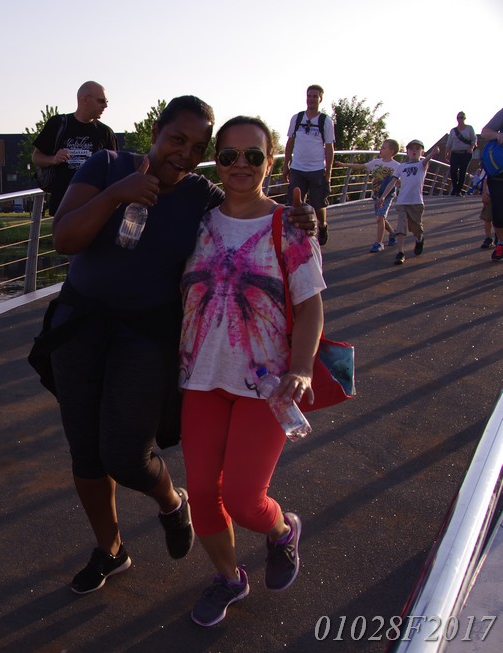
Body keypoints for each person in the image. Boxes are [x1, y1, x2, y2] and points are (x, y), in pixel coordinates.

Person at [34, 96, 317, 596]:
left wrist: (303, 218)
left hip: (146, 335)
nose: (184, 154)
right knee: (86, 453)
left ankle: (172, 501)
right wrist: (117, 194)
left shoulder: (200, 196)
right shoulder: (108, 165)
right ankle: (110, 550)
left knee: (125, 453)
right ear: (155, 135)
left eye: (198, 147)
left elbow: (247, 209)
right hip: (81, 326)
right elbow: (64, 239)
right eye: (176, 140)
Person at [179, 116, 325, 627]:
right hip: (201, 379)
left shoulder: (291, 226)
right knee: (202, 495)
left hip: (267, 386)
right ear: (215, 161)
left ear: (272, 161)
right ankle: (229, 579)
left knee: (244, 501)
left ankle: (282, 531)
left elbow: (310, 306)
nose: (240, 165)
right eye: (229, 155)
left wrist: (302, 369)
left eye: (254, 156)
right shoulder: (197, 222)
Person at [31, 81, 118, 216]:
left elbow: (114, 170)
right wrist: (53, 159)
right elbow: (36, 157)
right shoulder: (58, 124)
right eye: (101, 101)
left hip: (93, 206)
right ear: (85, 99)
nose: (105, 106)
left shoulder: (105, 132)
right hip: (62, 205)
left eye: (106, 101)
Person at [283, 84, 335, 246]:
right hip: (297, 168)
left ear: (320, 99)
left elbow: (329, 147)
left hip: (316, 169)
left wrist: (329, 171)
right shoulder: (297, 118)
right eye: (309, 96)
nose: (311, 99)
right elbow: (290, 142)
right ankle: (297, 237)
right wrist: (286, 164)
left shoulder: (325, 121)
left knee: (318, 205)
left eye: (315, 96)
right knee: (294, 203)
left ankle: (322, 225)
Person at [379, 139, 442, 266]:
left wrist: (432, 154)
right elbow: (392, 182)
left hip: (416, 202)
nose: (414, 151)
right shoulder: (401, 167)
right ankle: (400, 252)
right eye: (411, 149)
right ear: (407, 151)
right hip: (402, 201)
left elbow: (426, 160)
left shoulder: (421, 165)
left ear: (421, 152)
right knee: (401, 227)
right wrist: (383, 197)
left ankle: (419, 239)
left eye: (417, 149)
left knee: (416, 227)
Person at [334, 139, 400, 252]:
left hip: (387, 195)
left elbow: (399, 181)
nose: (380, 149)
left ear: (391, 151)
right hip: (376, 194)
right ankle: (393, 233)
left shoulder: (397, 166)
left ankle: (379, 243)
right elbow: (360, 166)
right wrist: (345, 165)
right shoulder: (376, 162)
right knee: (380, 217)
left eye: (384, 148)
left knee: (380, 217)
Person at [481, 108, 503, 261]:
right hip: (499, 175)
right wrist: (497, 135)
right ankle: (501, 243)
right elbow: (485, 132)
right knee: (499, 215)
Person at [445, 111, 477, 196]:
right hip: (455, 153)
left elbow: (474, 140)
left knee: (462, 172)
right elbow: (449, 143)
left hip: (465, 153)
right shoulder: (453, 130)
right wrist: (446, 153)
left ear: (464, 118)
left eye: (461, 117)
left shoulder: (469, 128)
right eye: (458, 118)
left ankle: (458, 190)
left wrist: (471, 147)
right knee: (453, 171)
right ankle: (455, 188)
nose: (459, 119)